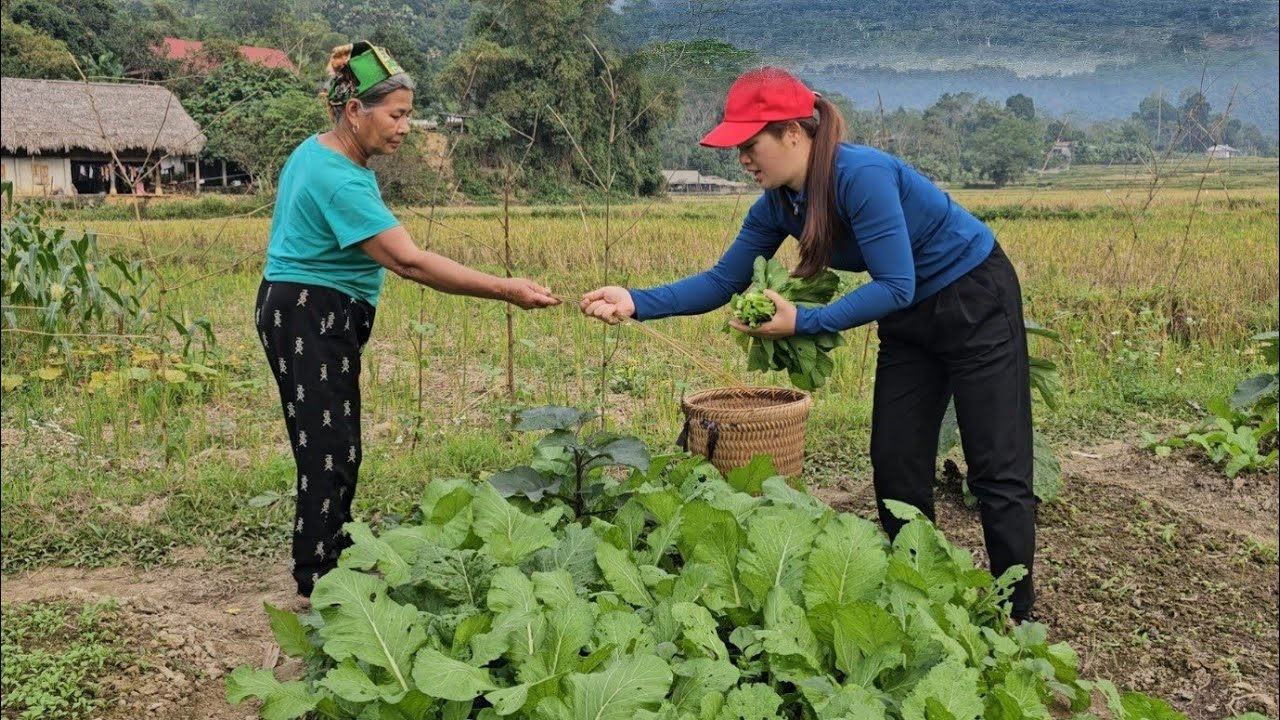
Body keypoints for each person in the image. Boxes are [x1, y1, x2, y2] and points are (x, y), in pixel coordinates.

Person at [579, 67, 1036, 621]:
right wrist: (636, 300)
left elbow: (895, 283)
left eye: (750, 145)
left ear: (793, 133)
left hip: (973, 298)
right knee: (895, 462)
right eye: (737, 149)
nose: (744, 160)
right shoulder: (778, 204)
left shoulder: (859, 175)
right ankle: (918, 599)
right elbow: (723, 281)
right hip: (910, 315)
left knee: (996, 466)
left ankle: (1018, 617)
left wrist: (804, 321)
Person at [255, 41, 559, 602]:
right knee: (329, 448)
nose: (406, 127)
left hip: (299, 306)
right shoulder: (339, 177)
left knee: (330, 442)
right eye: (396, 115)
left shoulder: (318, 152)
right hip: (311, 312)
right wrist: (505, 288)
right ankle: (320, 582)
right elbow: (408, 261)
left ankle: (331, 558)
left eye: (409, 115)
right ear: (355, 111)